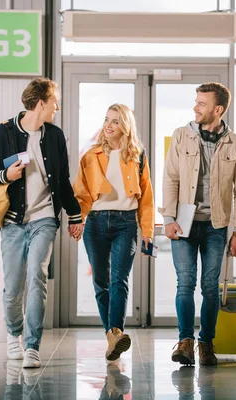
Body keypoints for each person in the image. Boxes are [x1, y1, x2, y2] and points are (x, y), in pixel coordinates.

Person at [0, 78, 83, 368]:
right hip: (12, 221)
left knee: (37, 276)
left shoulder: (55, 136)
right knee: (13, 286)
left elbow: (62, 181)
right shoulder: (2, 133)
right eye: (54, 102)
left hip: (44, 218)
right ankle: (14, 336)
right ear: (41, 103)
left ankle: (33, 345)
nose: (57, 107)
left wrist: (75, 216)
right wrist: (4, 176)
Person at [160, 82, 236, 366]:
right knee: (185, 283)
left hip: (217, 224)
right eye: (196, 102)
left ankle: (206, 344)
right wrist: (168, 219)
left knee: (210, 286)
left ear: (218, 109)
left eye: (202, 103)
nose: (195, 107)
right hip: (184, 224)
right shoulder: (181, 136)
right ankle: (184, 342)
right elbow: (170, 178)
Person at [73, 103, 154, 362]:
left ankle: (116, 331)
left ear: (125, 126)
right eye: (107, 119)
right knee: (101, 281)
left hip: (126, 223)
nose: (108, 125)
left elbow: (147, 198)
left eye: (115, 121)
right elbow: (81, 193)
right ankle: (113, 337)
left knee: (120, 279)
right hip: (95, 222)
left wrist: (148, 232)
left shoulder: (138, 156)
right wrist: (76, 220)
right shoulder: (90, 156)